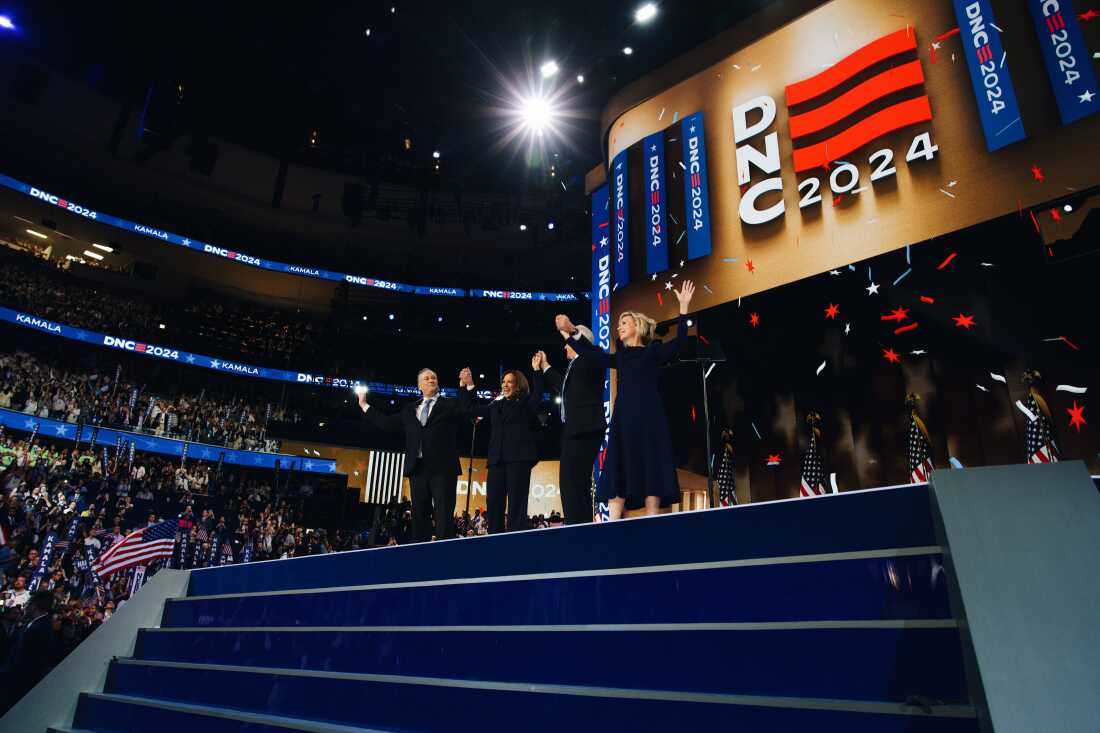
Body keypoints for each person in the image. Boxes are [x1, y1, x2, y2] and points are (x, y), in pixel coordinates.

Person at [571, 280, 695, 519]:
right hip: (624, 420)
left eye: (624, 323)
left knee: (651, 463)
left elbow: (679, 343)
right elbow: (591, 356)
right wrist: (569, 337)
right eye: (618, 324)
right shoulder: (620, 358)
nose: (619, 327)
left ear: (637, 327)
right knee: (619, 464)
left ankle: (652, 519)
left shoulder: (652, 351)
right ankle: (612, 524)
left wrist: (683, 308)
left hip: (650, 419)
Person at [358, 368, 474, 543]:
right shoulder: (409, 409)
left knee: (443, 514)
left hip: (443, 469)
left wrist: (468, 386)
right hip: (418, 469)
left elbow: (468, 409)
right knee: (419, 515)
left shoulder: (450, 405)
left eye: (434, 377)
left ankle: (445, 557)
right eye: (426, 378)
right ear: (419, 385)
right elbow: (386, 423)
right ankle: (421, 556)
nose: (431, 380)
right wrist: (364, 405)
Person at [534, 319, 607, 525]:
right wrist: (546, 365)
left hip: (585, 427)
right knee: (573, 482)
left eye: (569, 341)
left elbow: (587, 348)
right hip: (575, 428)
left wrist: (572, 331)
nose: (565, 346)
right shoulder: (574, 366)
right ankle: (580, 526)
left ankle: (577, 528)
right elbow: (562, 387)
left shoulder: (591, 358)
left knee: (571, 483)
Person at [461, 367, 544, 533]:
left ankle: (515, 543)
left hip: (519, 459)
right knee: (493, 503)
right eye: (503, 382)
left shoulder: (525, 404)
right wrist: (468, 385)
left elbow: (537, 396)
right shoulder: (495, 406)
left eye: (510, 382)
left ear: (518, 385)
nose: (505, 385)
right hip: (496, 460)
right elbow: (470, 409)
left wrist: (537, 372)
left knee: (516, 504)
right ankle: (494, 542)